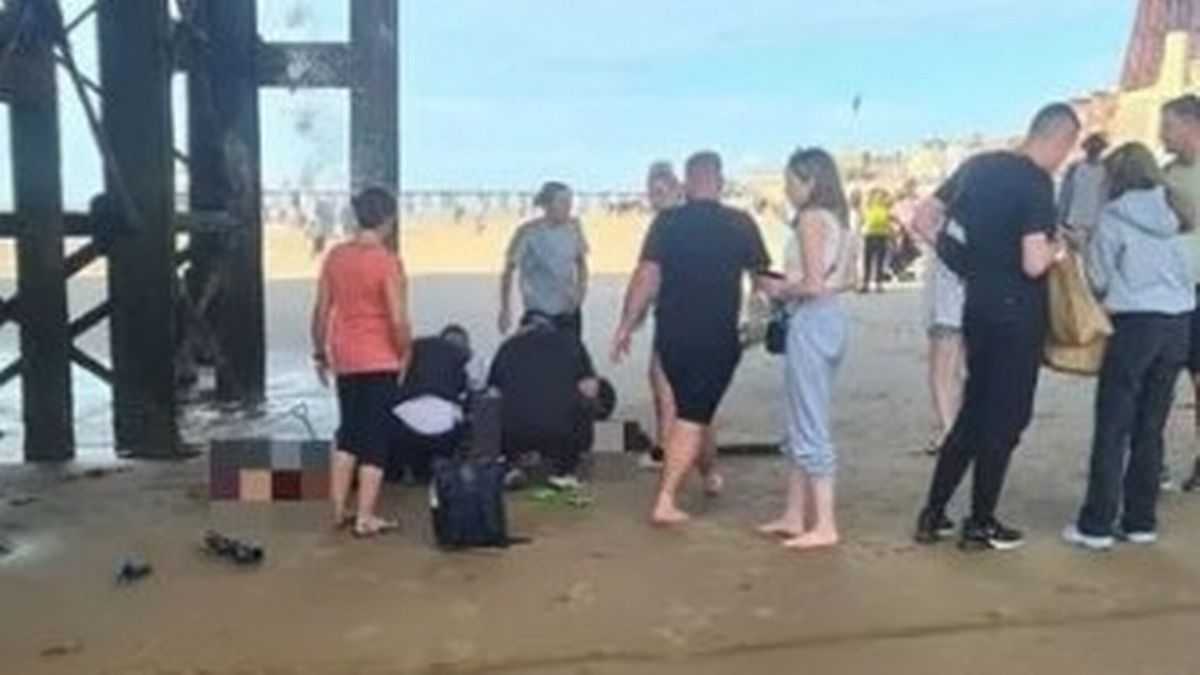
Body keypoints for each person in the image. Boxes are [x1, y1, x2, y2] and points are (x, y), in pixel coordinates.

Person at [913, 103, 1078, 551]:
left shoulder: (977, 167)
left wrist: (961, 260)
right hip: (1018, 313)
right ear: (1059, 139)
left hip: (978, 305)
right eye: (1068, 148)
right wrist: (1058, 249)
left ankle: (933, 514)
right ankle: (981, 521)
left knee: (973, 411)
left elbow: (921, 219)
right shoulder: (1036, 183)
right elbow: (1032, 262)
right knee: (1007, 419)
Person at [612, 151, 771, 526]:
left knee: (695, 409)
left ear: (687, 181)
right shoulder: (740, 222)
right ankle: (666, 499)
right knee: (691, 414)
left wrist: (625, 325)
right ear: (719, 179)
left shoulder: (667, 222)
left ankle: (707, 473)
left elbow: (646, 276)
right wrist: (802, 291)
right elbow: (762, 281)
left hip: (671, 336)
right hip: (716, 336)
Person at [1062, 143, 1194, 551]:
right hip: (1179, 323)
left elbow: (1100, 280)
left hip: (1135, 323)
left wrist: (1082, 251)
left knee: (1113, 425)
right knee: (1151, 427)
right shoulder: (1178, 214)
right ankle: (1141, 520)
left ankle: (1097, 524)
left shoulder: (1114, 217)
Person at [756, 149, 853, 550]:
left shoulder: (812, 219)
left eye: (791, 181)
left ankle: (824, 523)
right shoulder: (843, 222)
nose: (787, 189)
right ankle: (795, 514)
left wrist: (779, 288)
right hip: (833, 319)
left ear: (809, 181)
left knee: (809, 419)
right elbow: (848, 279)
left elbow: (811, 284)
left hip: (812, 320)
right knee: (803, 416)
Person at [311, 187, 410, 538]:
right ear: (388, 219)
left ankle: (338, 508)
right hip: (379, 355)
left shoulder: (336, 257)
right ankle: (366, 516)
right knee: (376, 437)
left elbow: (322, 311)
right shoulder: (386, 261)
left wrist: (319, 352)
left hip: (345, 354)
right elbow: (397, 318)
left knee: (349, 431)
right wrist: (405, 351)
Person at [489, 314, 600, 490]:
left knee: (492, 408)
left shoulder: (507, 347)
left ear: (522, 328)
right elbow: (591, 389)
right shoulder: (570, 343)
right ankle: (564, 472)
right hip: (560, 433)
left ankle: (511, 466)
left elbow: (492, 392)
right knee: (587, 403)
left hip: (514, 435)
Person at [906, 185, 967, 457]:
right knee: (960, 373)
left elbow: (918, 221)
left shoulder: (945, 231)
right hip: (967, 308)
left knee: (942, 373)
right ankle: (958, 428)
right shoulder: (975, 227)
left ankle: (949, 429)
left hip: (946, 309)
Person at [1159, 94, 1200, 491]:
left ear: (1191, 124)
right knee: (1160, 379)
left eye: (1168, 126)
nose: (1162, 135)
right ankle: (1154, 462)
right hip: (1170, 292)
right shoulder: (1165, 176)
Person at [636, 161, 685, 471]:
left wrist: (634, 314)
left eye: (659, 191)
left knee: (663, 383)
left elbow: (650, 273)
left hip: (675, 314)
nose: (654, 198)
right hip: (681, 312)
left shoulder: (667, 224)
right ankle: (679, 449)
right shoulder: (687, 221)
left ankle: (666, 450)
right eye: (651, 192)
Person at [499, 181, 590, 337]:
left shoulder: (575, 228)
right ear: (547, 205)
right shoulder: (527, 232)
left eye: (570, 202)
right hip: (539, 312)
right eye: (562, 202)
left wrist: (581, 292)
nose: (568, 207)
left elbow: (581, 263)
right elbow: (508, 271)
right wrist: (505, 309)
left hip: (568, 309)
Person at [386, 325, 475, 484]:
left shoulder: (416, 348)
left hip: (404, 427)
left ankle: (404, 471)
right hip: (444, 433)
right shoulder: (459, 357)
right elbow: (465, 394)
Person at [1058, 133, 1110, 251]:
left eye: (1098, 147)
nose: (1094, 150)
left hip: (1094, 225)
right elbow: (1065, 195)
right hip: (1074, 222)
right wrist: (1061, 219)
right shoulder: (1074, 168)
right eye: (1091, 146)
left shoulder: (1106, 170)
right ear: (1085, 148)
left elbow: (1105, 197)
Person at [860, 188, 896, 293]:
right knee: (868, 260)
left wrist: (892, 234)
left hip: (881, 235)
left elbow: (889, 221)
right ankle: (867, 283)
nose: (879, 198)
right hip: (870, 235)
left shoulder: (884, 208)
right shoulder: (868, 207)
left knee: (878, 261)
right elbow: (863, 220)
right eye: (877, 196)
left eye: (880, 196)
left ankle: (877, 284)